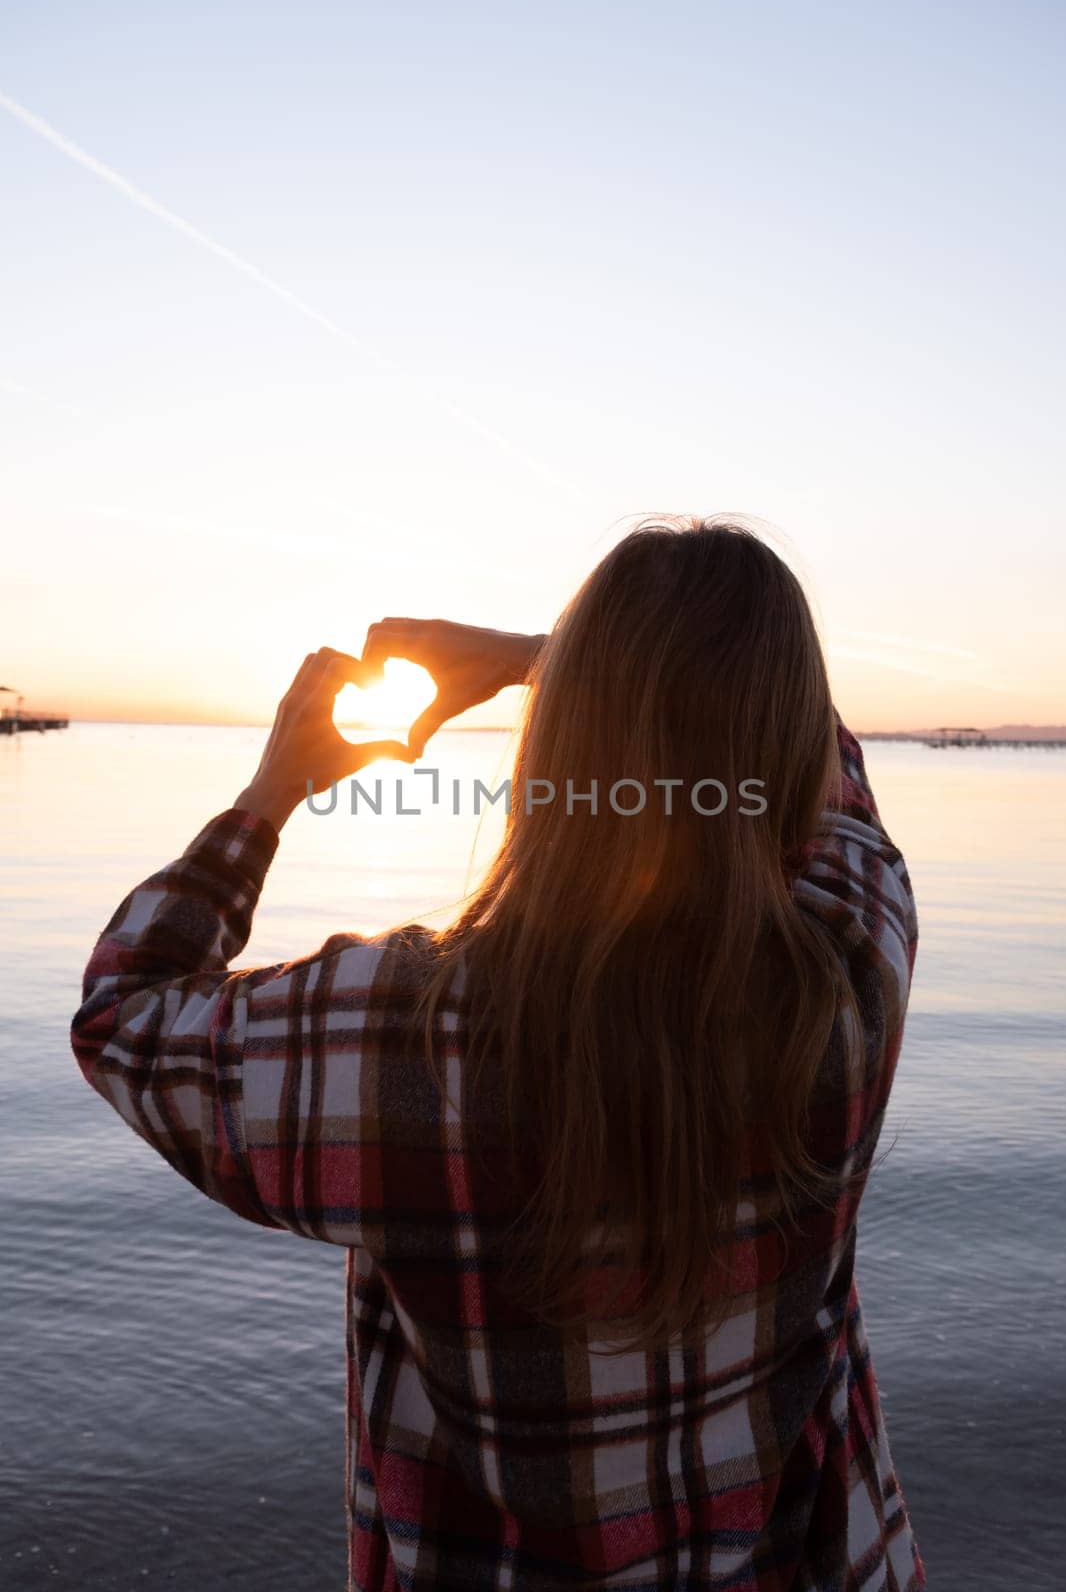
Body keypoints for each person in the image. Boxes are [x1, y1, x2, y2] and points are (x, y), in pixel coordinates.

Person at [71, 516, 925, 1590]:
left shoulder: (404, 1043)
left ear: (561, 740)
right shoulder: (847, 978)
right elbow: (828, 764)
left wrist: (269, 795)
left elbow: (125, 1013)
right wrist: (542, 655)